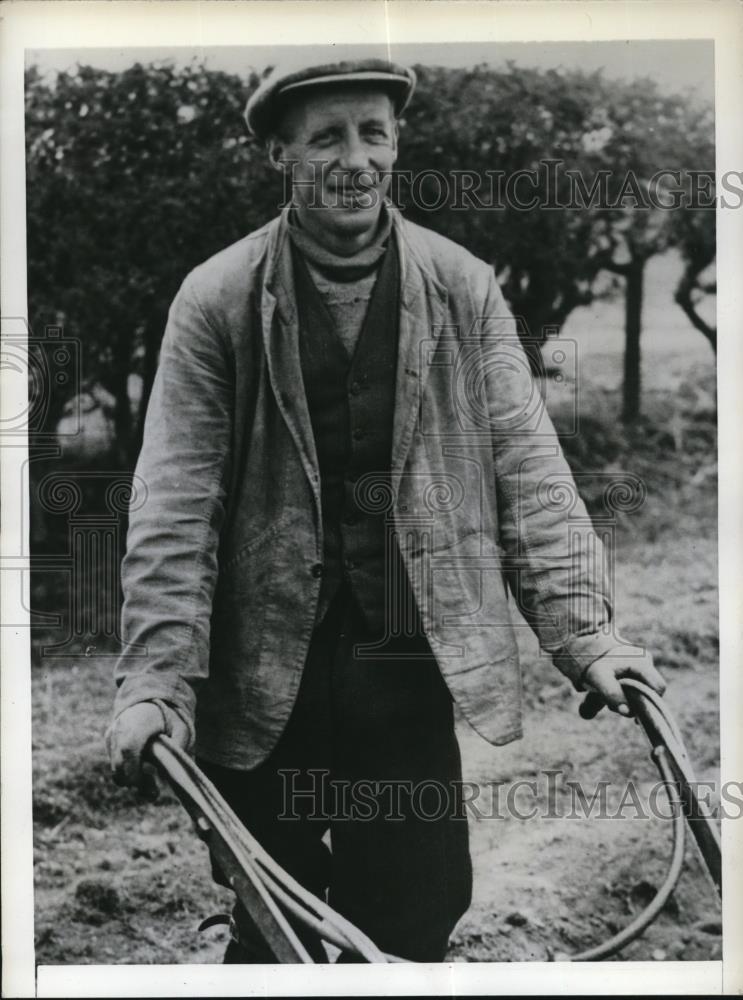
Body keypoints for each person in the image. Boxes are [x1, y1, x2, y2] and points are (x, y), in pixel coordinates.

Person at [106, 55, 666, 963]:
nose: (355, 158)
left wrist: (589, 637)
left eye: (373, 133)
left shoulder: (460, 285)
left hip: (405, 655)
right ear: (280, 157)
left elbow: (528, 473)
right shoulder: (217, 300)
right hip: (261, 670)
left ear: (397, 144)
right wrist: (155, 683)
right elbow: (175, 503)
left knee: (414, 910)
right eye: (326, 137)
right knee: (271, 917)